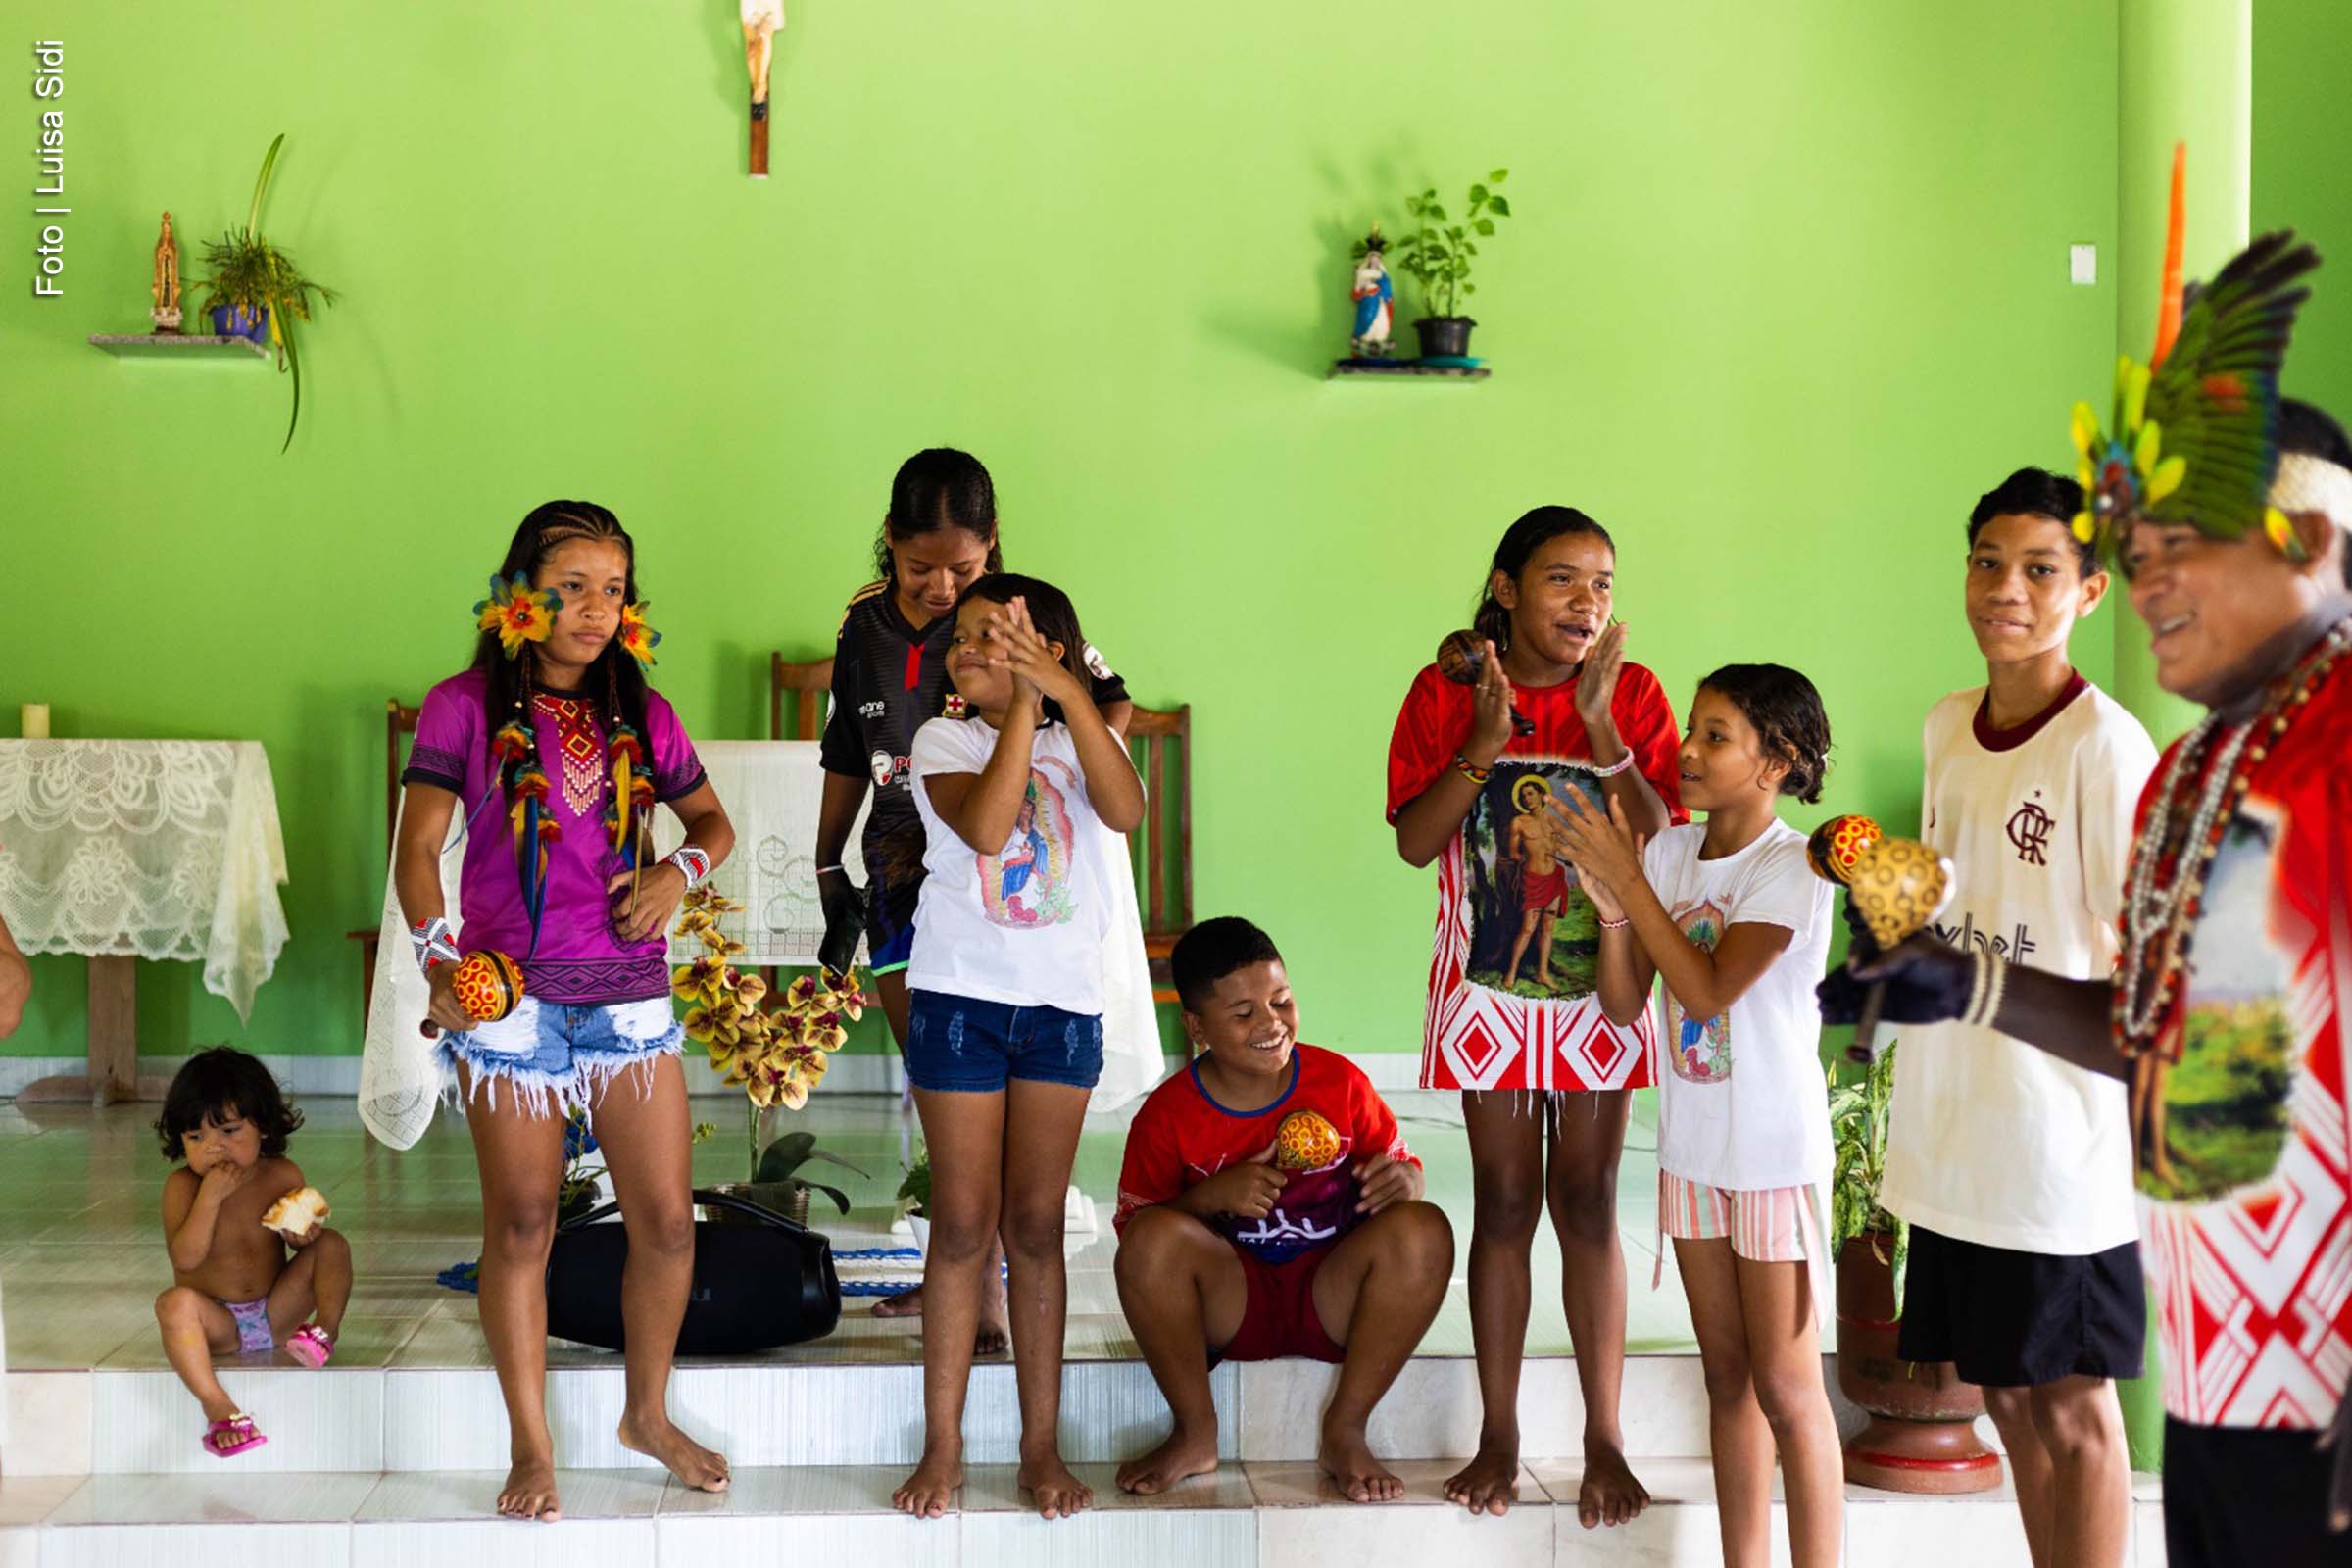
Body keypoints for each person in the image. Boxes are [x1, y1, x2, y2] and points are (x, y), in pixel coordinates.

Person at [1827, 312, 2352, 1568]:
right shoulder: (2176, 762)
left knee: (2077, 1414)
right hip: (2018, 1161)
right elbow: (2140, 1001)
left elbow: (2168, 1007)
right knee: (2024, 1404)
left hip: (2091, 1170)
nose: (2008, 592)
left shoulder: (2135, 752)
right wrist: (1921, 956)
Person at [396, 500, 734, 1521]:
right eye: (573, 586)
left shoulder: (645, 713)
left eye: (614, 589)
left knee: (670, 1222)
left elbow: (713, 821)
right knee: (523, 1222)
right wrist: (434, 960)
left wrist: (679, 868)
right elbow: (417, 850)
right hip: (511, 1006)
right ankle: (531, 1446)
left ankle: (647, 1413)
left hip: (629, 1002)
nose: (595, 608)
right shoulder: (459, 706)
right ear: (520, 596)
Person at [1879, 466, 2156, 1568]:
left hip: (2060, 1145)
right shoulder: (1950, 727)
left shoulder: (2105, 748)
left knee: (2076, 1414)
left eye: (2042, 569)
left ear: (2089, 591)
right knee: (2001, 1393)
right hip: (1959, 1128)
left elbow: (2145, 971)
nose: (2007, 587)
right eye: (1988, 561)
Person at [1386, 505, 1684, 1524]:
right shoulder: (1446, 692)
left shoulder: (1633, 693)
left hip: (1603, 982)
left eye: (1602, 583)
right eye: (1562, 580)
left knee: (1592, 1202)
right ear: (1506, 588)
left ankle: (1606, 1436)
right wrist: (1483, 738)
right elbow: (1418, 842)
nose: (1587, 603)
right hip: (1488, 995)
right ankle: (1499, 1432)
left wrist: (1602, 729)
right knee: (1507, 1204)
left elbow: (1659, 834)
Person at [813, 447, 1132, 1346]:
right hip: (902, 865)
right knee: (943, 1069)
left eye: (966, 566)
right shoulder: (862, 628)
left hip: (1014, 862)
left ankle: (988, 1289)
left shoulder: (1020, 619)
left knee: (1002, 1082)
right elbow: (846, 745)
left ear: (992, 547)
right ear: (890, 546)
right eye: (923, 568)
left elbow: (1111, 706)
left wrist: (1046, 747)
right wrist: (826, 860)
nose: (946, 586)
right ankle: (953, 1260)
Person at [1555, 664, 1841, 1568]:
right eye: (1692, 728)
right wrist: (1612, 911)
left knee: (1790, 1391)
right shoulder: (1672, 856)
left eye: (1717, 736)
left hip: (1772, 1158)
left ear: (1776, 762)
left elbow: (1710, 990)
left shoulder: (1791, 866)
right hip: (1693, 1159)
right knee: (1727, 1381)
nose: (1686, 749)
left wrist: (1625, 881)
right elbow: (1624, 1005)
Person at [890, 574, 1145, 1522]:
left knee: (1036, 1229)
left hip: (1061, 1011)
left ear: (1053, 650)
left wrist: (1070, 702)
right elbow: (993, 829)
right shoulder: (943, 739)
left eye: (993, 636)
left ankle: (1043, 1445)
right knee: (963, 1226)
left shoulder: (1082, 740)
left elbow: (1124, 814)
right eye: (961, 636)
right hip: (962, 1001)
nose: (965, 648)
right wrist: (1029, 702)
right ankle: (943, 1445)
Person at [1111, 916, 1453, 1501]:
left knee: (1425, 1231)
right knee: (1151, 1244)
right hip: (1232, 1303)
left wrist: (1406, 1180)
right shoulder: (1167, 1115)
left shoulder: (1339, 1082)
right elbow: (1135, 1235)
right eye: (1243, 1014)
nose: (1271, 1023)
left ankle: (1345, 1430)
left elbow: (1401, 1165)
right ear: (1197, 1027)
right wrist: (1208, 1199)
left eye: (1281, 1000)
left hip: (1332, 1293)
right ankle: (1196, 1432)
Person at [152, 1047, 350, 1457]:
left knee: (332, 1245)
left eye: (229, 1131)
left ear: (262, 1126)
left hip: (278, 1311)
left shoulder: (282, 1174)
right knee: (172, 1305)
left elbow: (297, 1234)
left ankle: (324, 1331)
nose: (213, 1147)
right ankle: (216, 1403)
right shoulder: (183, 1187)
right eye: (196, 1137)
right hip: (218, 1324)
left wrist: (301, 1238)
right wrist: (209, 1198)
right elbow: (185, 1260)